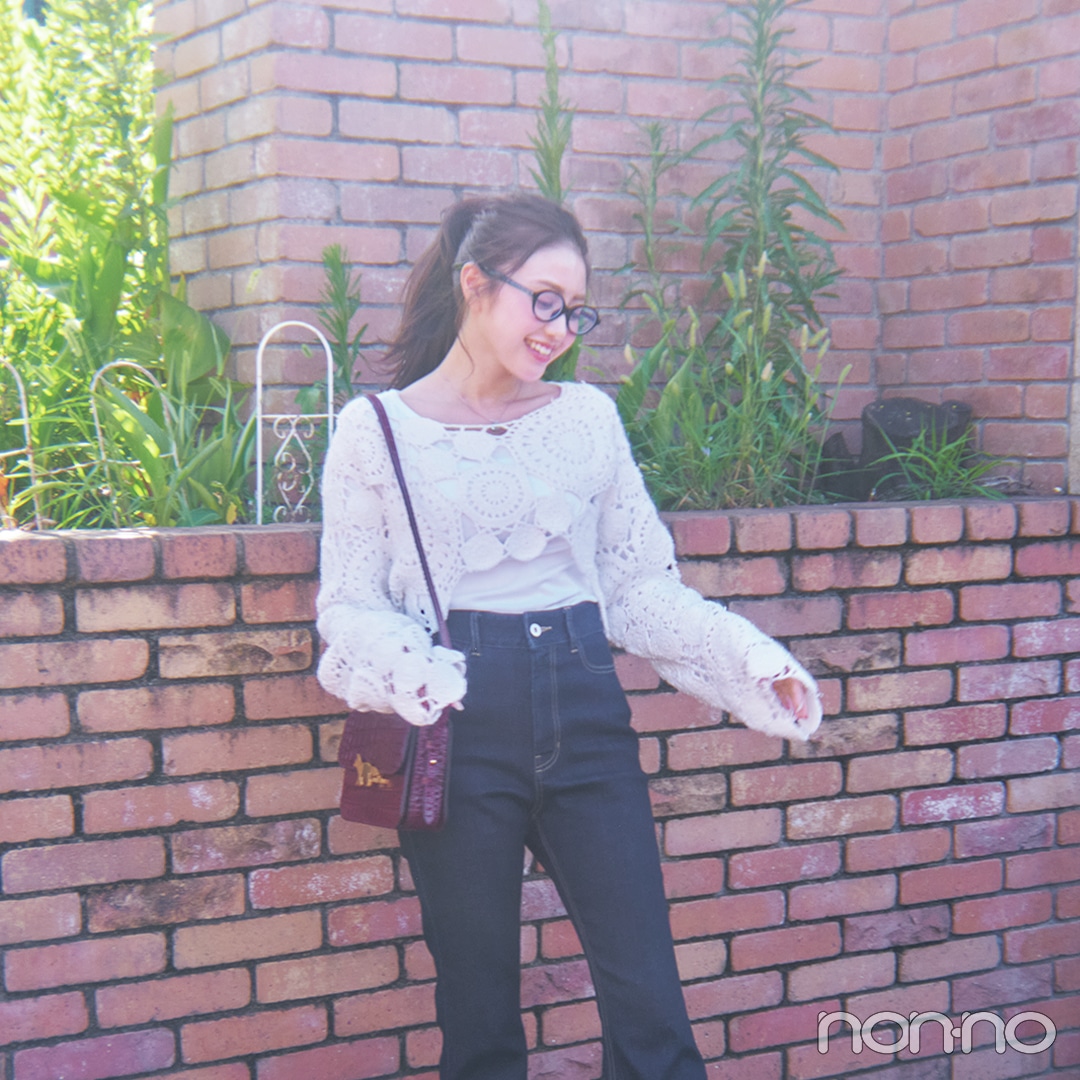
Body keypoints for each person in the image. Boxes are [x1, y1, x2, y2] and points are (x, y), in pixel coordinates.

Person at [316, 193, 822, 1080]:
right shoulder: (377, 432)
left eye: (575, 310)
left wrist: (747, 658)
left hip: (584, 705)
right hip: (454, 722)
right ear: (476, 283)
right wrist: (407, 667)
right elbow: (350, 604)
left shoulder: (586, 419)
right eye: (543, 300)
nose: (559, 328)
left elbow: (637, 588)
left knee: (651, 1010)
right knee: (479, 1020)